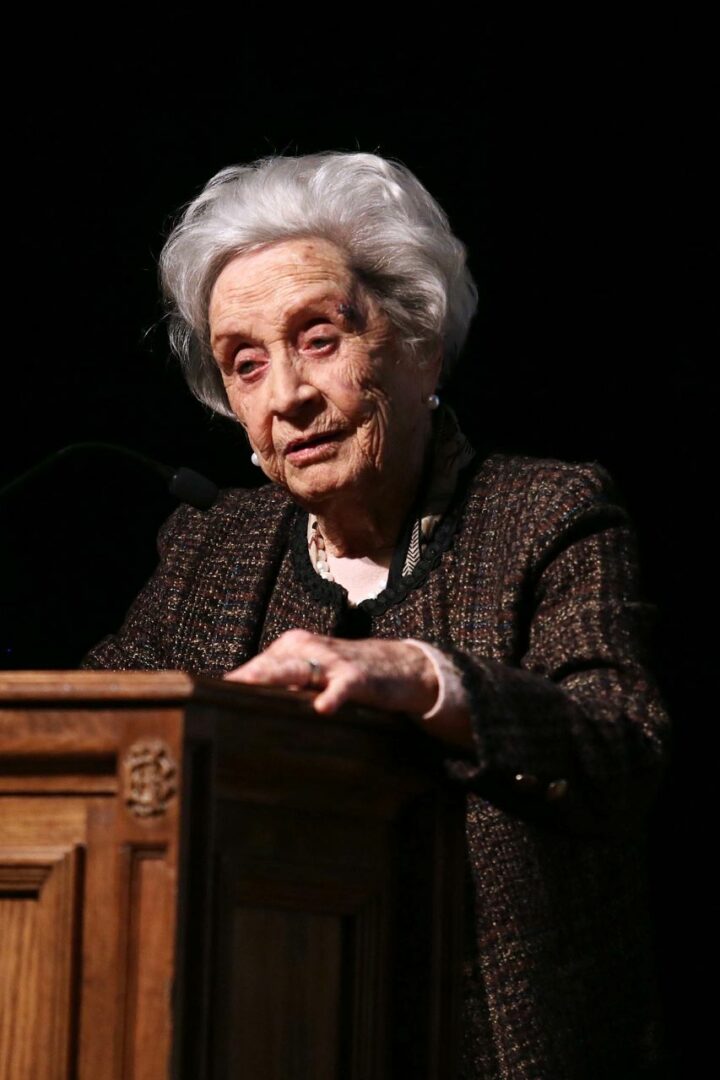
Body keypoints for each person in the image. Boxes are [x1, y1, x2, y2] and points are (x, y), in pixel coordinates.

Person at [84, 152, 669, 1076]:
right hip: (266, 1035)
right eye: (246, 364)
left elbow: (622, 748)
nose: (286, 396)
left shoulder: (543, 513)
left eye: (319, 339)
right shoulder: (211, 550)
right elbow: (84, 738)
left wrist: (426, 677)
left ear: (420, 341)